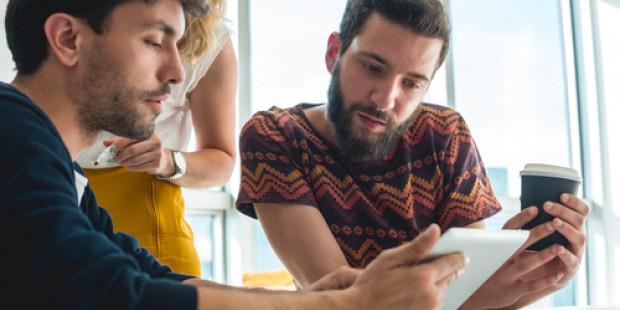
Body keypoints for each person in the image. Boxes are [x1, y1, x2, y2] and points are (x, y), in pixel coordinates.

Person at [0, 0, 469, 309]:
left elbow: (148, 275)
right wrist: (343, 305)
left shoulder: (60, 171)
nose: (177, 70)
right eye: (154, 41)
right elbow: (112, 295)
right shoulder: (12, 134)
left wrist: (324, 297)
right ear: (67, 39)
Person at [235, 0, 590, 309]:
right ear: (334, 54)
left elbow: (467, 283)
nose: (385, 100)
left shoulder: (446, 135)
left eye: (411, 83)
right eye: (372, 67)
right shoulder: (275, 137)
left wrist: (545, 274)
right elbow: (347, 301)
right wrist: (484, 295)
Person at [75, 0, 237, 277]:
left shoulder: (210, 42)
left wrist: (167, 161)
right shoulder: (77, 18)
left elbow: (222, 161)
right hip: (60, 222)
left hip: (153, 240)